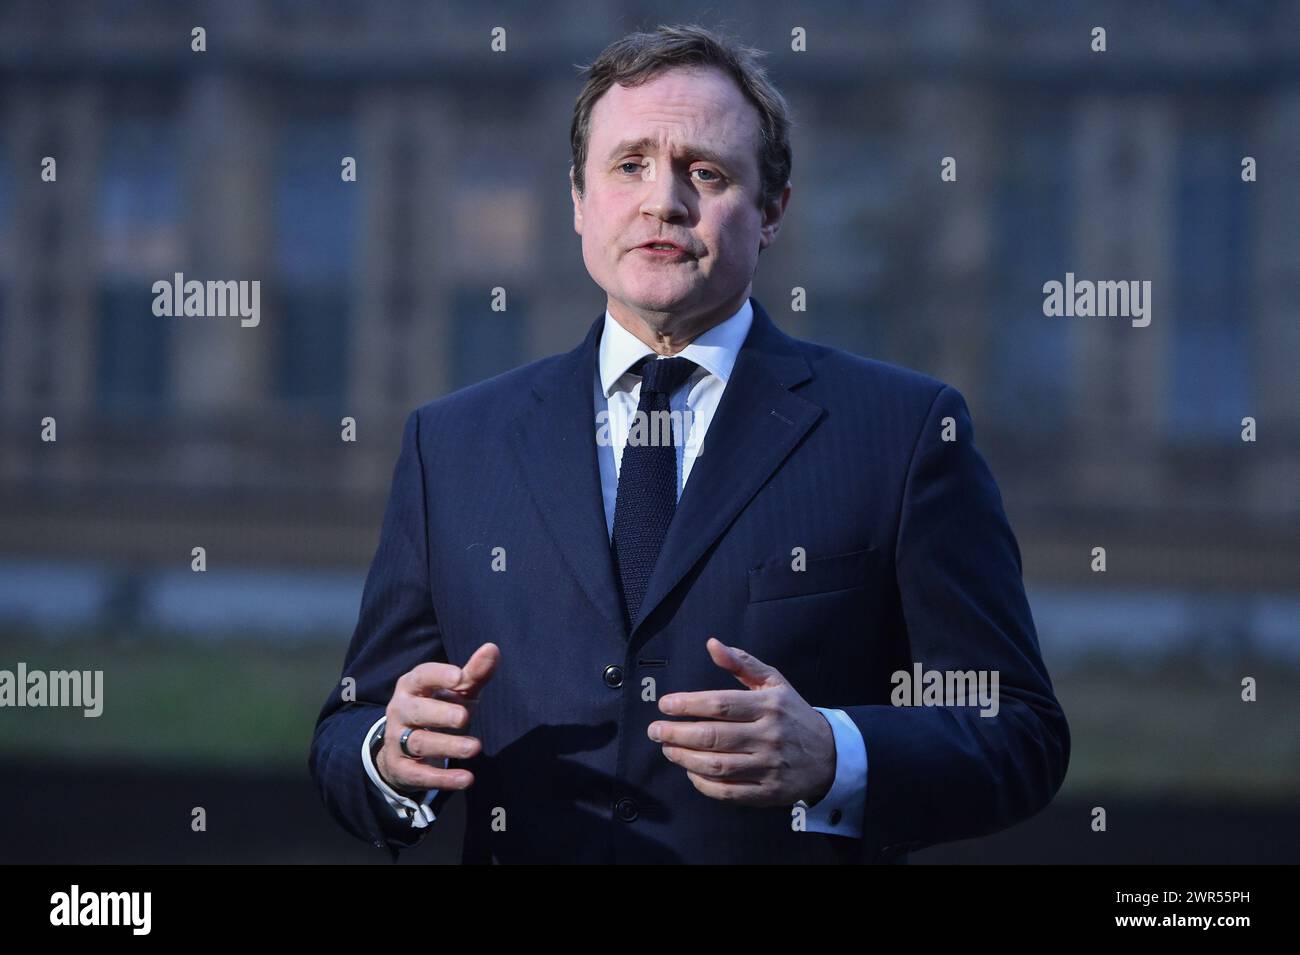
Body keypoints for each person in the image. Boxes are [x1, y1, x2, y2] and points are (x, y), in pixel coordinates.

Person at [309, 23, 1069, 864]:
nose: (661, 200)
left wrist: (834, 751)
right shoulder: (450, 445)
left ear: (772, 208)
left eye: (703, 172)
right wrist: (390, 751)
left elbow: (1018, 730)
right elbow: (348, 726)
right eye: (628, 165)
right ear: (577, 198)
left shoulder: (904, 432)